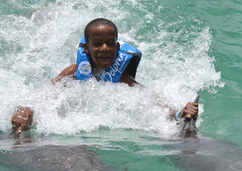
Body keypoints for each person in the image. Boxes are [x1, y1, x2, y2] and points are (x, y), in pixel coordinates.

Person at [11, 18, 199, 136]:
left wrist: (178, 113)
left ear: (117, 48)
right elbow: (46, 93)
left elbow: (150, 98)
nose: (104, 49)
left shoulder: (121, 75)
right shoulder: (74, 72)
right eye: (97, 44)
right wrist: (27, 110)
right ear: (86, 48)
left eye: (110, 43)